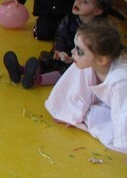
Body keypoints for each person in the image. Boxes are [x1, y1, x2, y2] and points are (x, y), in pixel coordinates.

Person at [6, 0, 126, 89]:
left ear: (98, 11)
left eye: (86, 2)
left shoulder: (101, 29)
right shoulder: (70, 18)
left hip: (81, 61)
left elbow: (109, 48)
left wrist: (75, 58)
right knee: (48, 61)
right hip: (65, 53)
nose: (78, 2)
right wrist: (59, 49)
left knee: (67, 71)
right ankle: (22, 70)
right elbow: (60, 34)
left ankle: (37, 80)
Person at [45, 19, 127, 154]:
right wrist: (69, 113)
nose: (72, 52)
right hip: (115, 104)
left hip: (123, 106)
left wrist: (123, 145)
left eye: (79, 51)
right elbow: (76, 88)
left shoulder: (121, 81)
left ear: (101, 59)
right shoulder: (89, 63)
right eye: (75, 47)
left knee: (107, 127)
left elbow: (124, 112)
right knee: (94, 115)